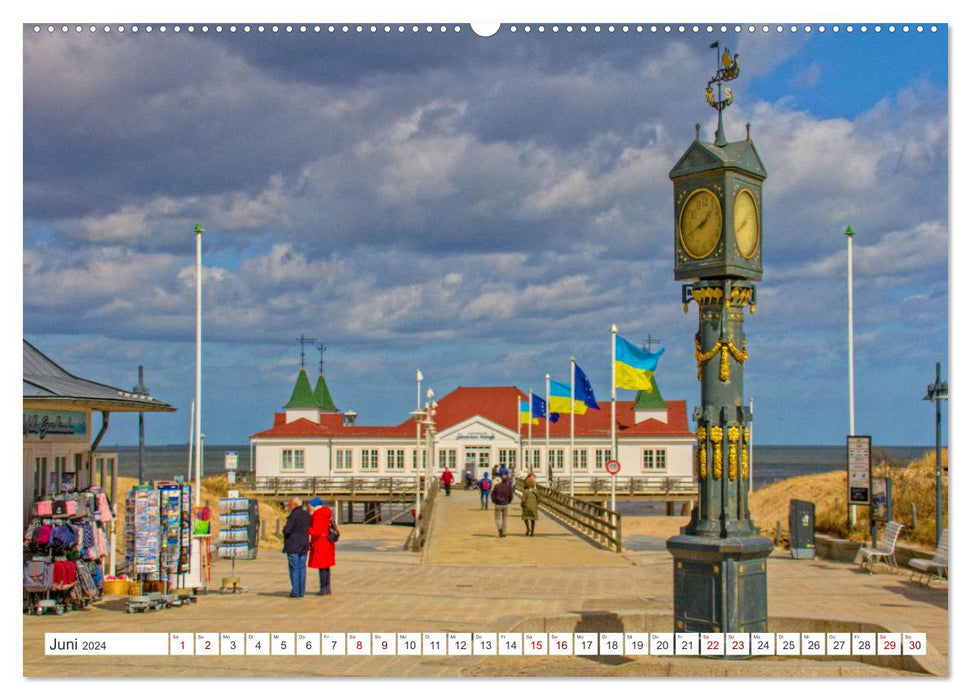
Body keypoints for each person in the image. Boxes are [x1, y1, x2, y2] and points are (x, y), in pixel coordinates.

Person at [282, 497, 311, 598]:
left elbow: (287, 530)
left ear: (294, 504)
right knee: (302, 568)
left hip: (293, 544)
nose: (289, 506)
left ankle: (295, 591)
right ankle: (301, 591)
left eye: (290, 504)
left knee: (294, 568)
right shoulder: (306, 515)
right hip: (304, 544)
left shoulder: (294, 515)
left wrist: (284, 530)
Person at [307, 497, 336, 595]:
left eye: (310, 506)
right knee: (326, 567)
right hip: (327, 543)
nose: (309, 508)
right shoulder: (325, 514)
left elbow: (316, 532)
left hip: (321, 543)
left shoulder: (318, 516)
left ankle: (323, 588)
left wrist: (307, 529)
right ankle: (327, 587)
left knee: (322, 567)